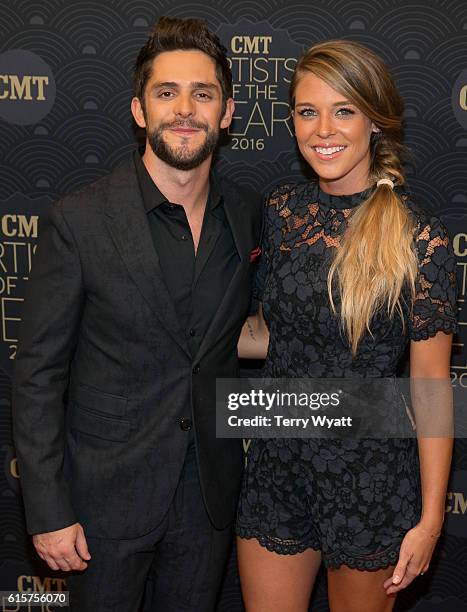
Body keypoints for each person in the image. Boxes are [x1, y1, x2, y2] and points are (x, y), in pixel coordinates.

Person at [12, 16, 262, 612]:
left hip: (208, 500)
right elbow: (38, 373)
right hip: (102, 503)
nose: (185, 109)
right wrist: (47, 510)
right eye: (166, 92)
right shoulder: (80, 220)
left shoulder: (250, 215)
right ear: (138, 109)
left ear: (226, 114)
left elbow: (232, 337)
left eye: (203, 94)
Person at [236, 40, 457, 612]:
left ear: (375, 121)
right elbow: (276, 333)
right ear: (292, 122)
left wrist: (432, 518)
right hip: (276, 467)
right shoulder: (282, 211)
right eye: (308, 112)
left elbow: (430, 388)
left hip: (369, 480)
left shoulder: (420, 241)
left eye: (344, 110)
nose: (323, 129)